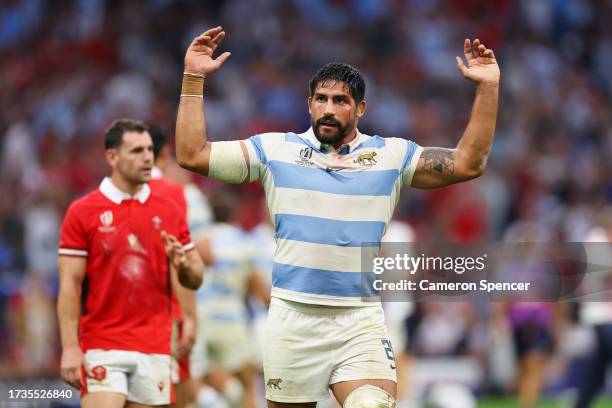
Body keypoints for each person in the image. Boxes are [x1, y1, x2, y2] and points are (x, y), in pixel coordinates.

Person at [175, 26, 500, 407]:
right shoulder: (274, 150)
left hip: (358, 320)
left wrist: (488, 88)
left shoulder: (392, 156)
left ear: (360, 108)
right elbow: (192, 153)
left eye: (341, 101)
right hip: (292, 320)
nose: (328, 108)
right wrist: (193, 77)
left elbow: (468, 163)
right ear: (309, 103)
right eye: (321, 99)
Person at [57, 119, 204, 408]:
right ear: (112, 156)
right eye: (137, 151)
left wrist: (184, 266)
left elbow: (196, 277)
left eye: (150, 149)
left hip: (156, 345)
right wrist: (70, 347)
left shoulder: (170, 209)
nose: (148, 157)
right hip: (102, 344)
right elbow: (69, 285)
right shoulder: (83, 211)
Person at [190, 190, 270, 408]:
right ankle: (233, 395)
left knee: (205, 374)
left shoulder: (199, 240)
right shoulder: (242, 241)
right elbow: (258, 288)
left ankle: (221, 395)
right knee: (248, 383)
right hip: (232, 319)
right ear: (233, 213)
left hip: (203, 318)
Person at [147, 123, 203, 408]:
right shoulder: (174, 193)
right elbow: (182, 260)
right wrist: (190, 317)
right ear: (165, 153)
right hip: (166, 317)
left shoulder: (95, 200)